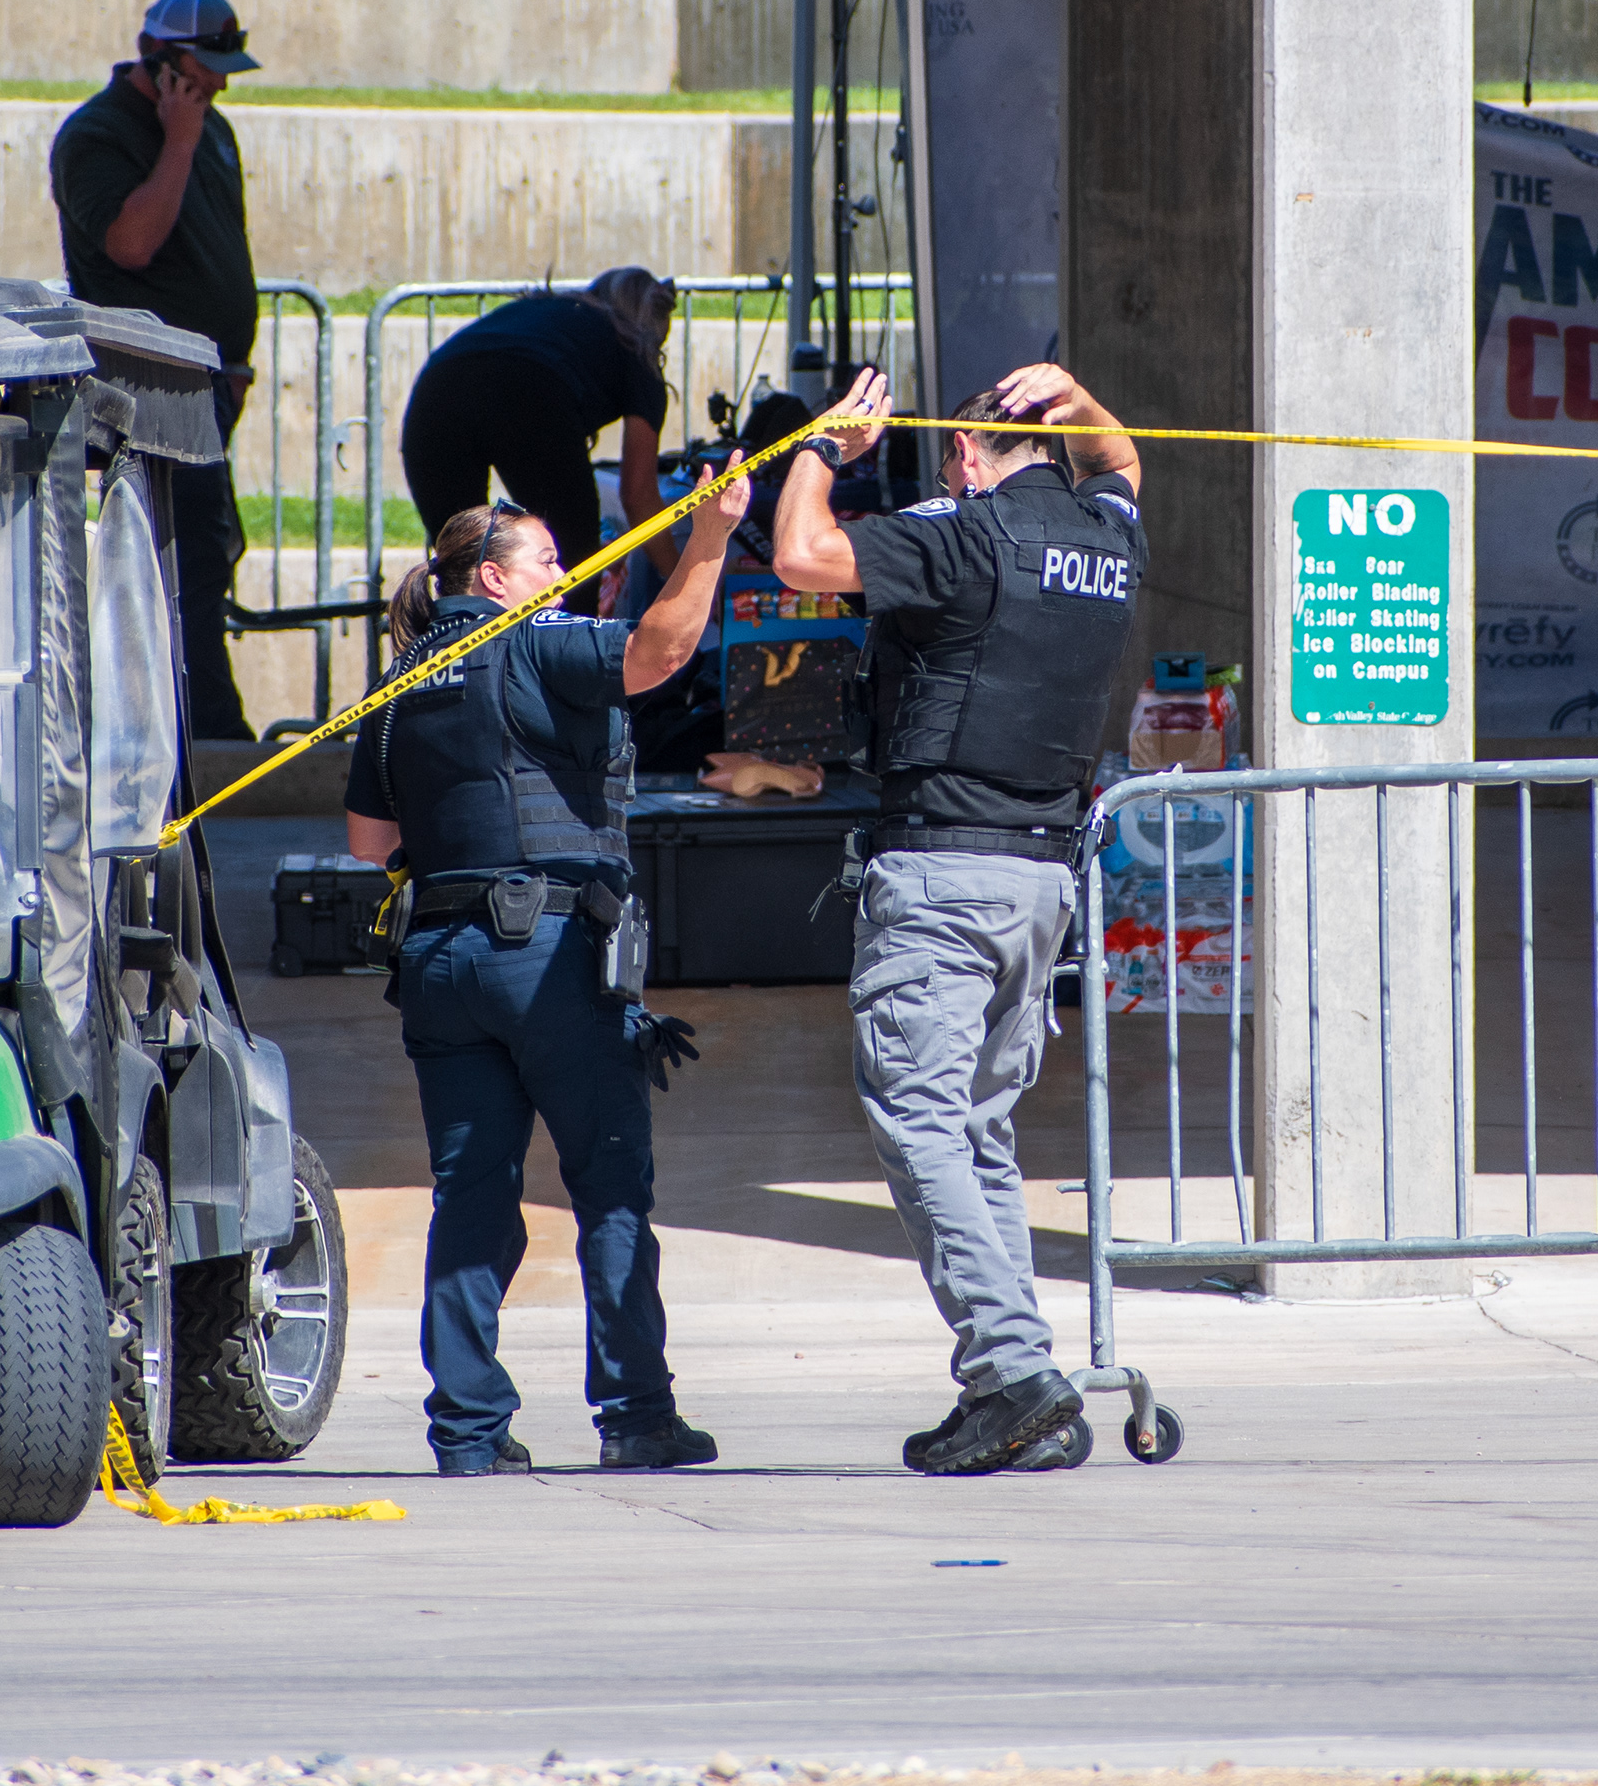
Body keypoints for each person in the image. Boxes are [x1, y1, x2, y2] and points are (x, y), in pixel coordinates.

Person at [769, 362, 1143, 1475]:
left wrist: (816, 452)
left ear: (970, 459)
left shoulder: (962, 536)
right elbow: (1123, 461)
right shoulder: (1104, 537)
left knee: (921, 1123)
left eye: (950, 460)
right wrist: (1078, 394)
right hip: (1042, 885)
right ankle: (1015, 1385)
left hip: (944, 879)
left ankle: (1017, 1371)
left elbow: (802, 556)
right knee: (977, 1131)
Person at [343, 469, 748, 1476]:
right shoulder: (528, 640)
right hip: (549, 958)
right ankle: (637, 1416)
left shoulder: (399, 680)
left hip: (439, 962)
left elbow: (367, 840)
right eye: (547, 559)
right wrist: (710, 538)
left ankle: (468, 1433)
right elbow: (663, 652)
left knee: (470, 1197)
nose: (565, 573)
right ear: (492, 574)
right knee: (610, 1189)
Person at [53, 0, 263, 740]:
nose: (220, 84)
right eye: (206, 68)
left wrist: (234, 361)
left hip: (206, 385)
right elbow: (132, 244)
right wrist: (175, 138)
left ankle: (204, 717)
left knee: (209, 551)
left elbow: (222, 253)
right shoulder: (99, 135)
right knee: (178, 559)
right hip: (142, 387)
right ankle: (197, 727)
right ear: (163, 61)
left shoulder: (214, 131)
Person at [401, 270, 676, 614]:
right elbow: (639, 495)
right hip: (531, 391)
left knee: (460, 563)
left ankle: (460, 660)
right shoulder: (635, 351)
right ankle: (564, 662)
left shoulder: (544, 310)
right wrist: (683, 583)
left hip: (437, 391)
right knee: (571, 562)